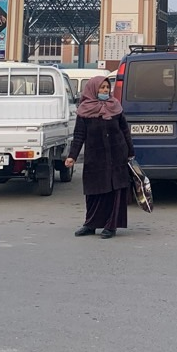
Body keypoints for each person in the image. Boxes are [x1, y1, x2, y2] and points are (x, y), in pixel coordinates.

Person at [64, 75, 135, 239]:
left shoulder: (115, 107)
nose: (105, 90)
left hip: (117, 156)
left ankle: (111, 226)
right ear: (93, 89)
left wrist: (130, 152)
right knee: (94, 191)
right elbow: (79, 135)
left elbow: (125, 130)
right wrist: (72, 156)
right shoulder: (84, 110)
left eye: (107, 87)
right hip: (95, 158)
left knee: (115, 191)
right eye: (102, 87)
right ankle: (90, 224)